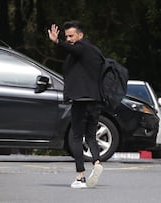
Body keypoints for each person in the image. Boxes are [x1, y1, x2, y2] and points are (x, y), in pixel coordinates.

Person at [47, 20, 104, 189]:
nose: (69, 39)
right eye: (66, 36)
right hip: (95, 101)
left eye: (71, 36)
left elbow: (73, 48)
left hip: (81, 101)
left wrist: (57, 42)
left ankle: (80, 177)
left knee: (77, 137)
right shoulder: (95, 52)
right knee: (91, 136)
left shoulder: (82, 48)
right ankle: (97, 163)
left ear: (81, 35)